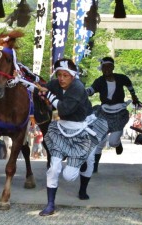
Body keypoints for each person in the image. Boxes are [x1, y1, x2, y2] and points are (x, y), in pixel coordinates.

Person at [37, 58, 107, 216]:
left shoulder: (78, 87)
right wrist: (35, 86)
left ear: (73, 76)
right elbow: (42, 87)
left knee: (72, 174)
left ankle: (83, 188)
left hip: (83, 129)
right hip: (61, 129)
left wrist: (47, 95)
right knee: (54, 167)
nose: (61, 78)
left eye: (65, 75)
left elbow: (64, 109)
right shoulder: (55, 83)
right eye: (59, 75)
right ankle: (50, 204)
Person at [86, 56, 142, 172]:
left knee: (112, 142)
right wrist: (81, 92)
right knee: (99, 141)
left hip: (119, 113)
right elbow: (91, 90)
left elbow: (130, 87)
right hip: (104, 113)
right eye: (104, 67)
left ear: (113, 67)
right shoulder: (99, 81)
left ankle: (117, 144)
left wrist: (134, 98)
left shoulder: (121, 78)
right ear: (101, 69)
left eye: (108, 67)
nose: (106, 69)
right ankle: (95, 166)